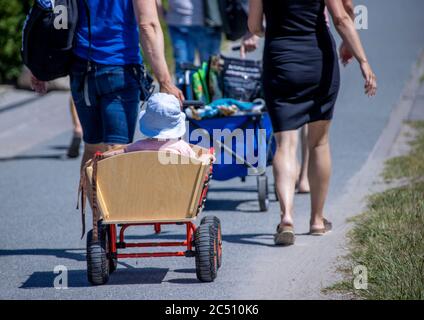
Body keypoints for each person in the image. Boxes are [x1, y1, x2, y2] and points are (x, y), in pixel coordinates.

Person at [247, 0, 377, 245]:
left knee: (284, 144)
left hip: (280, 60)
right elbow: (341, 18)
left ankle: (286, 218)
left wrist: (273, 32)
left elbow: (253, 25)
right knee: (318, 143)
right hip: (318, 60)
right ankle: (317, 221)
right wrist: (363, 61)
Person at [31, 0, 184, 173]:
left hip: (82, 70)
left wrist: (40, 66)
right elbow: (148, 25)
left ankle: (96, 201)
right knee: (117, 149)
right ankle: (114, 201)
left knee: (92, 148)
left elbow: (51, 14)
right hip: (120, 68)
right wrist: (165, 81)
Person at [103, 92, 213, 164]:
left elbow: (119, 153)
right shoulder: (181, 148)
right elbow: (198, 164)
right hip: (177, 194)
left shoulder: (138, 146)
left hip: (144, 192)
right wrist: (209, 157)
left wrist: (101, 156)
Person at [156, 0, 222, 82]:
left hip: (207, 21)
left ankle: (213, 93)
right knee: (183, 69)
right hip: (178, 23)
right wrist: (160, 10)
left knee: (211, 70)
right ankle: (185, 93)